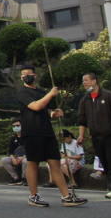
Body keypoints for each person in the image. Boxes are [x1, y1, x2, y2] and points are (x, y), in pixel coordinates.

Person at [15, 65, 86, 208]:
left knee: (55, 163)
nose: (26, 76)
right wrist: (50, 95)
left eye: (28, 74)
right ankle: (33, 196)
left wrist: (55, 113)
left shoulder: (42, 91)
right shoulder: (22, 92)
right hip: (32, 132)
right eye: (23, 75)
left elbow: (48, 111)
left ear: (35, 75)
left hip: (47, 132)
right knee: (33, 163)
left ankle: (66, 196)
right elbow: (35, 106)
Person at [77, 71, 111, 201]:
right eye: (83, 81)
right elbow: (82, 120)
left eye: (86, 80)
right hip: (96, 136)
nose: (84, 83)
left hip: (110, 134)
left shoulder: (109, 95)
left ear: (94, 81)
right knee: (104, 161)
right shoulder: (85, 99)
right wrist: (81, 136)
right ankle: (110, 187)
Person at [0, 120, 27, 186]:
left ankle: (24, 179)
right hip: (16, 157)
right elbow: (10, 151)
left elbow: (31, 150)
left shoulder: (28, 137)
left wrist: (22, 157)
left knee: (26, 161)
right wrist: (13, 158)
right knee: (4, 160)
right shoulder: (12, 138)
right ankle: (16, 178)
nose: (15, 127)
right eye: (14, 126)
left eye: (17, 125)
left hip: (25, 157)